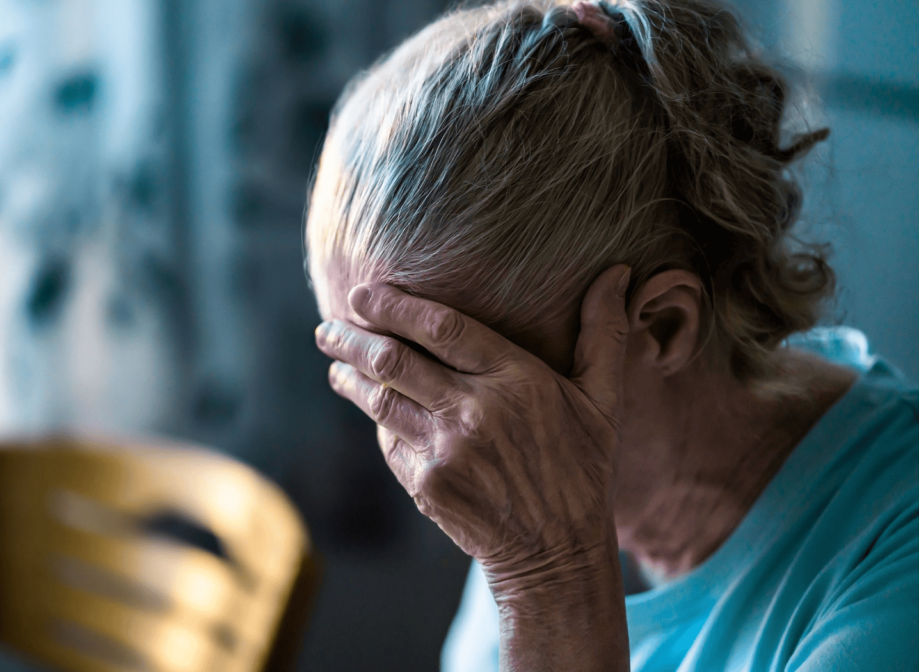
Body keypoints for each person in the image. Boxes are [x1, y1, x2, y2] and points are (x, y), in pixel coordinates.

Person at [305, 0, 918, 670]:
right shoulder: (510, 456)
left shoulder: (889, 568)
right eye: (383, 386)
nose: (428, 460)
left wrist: (552, 579)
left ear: (661, 326)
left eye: (437, 380)